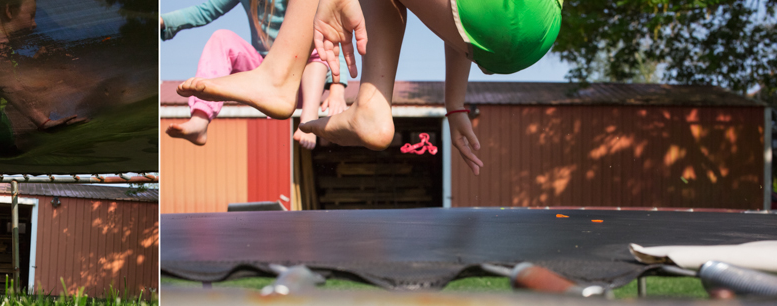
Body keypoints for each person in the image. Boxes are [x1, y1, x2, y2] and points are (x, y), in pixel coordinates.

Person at [178, 0, 561, 175]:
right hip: (531, 23)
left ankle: (277, 74)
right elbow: (461, 27)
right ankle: (373, 107)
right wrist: (455, 104)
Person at [161, 0, 349, 148]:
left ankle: (309, 120)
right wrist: (162, 21)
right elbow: (204, 11)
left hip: (300, 81)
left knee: (316, 38)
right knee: (221, 38)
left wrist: (337, 88)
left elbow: (329, 31)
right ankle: (200, 121)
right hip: (264, 74)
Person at [0, 0, 86, 156]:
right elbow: (8, 86)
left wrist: (35, 62)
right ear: (9, 11)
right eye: (31, 16)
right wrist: (43, 121)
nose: (34, 24)